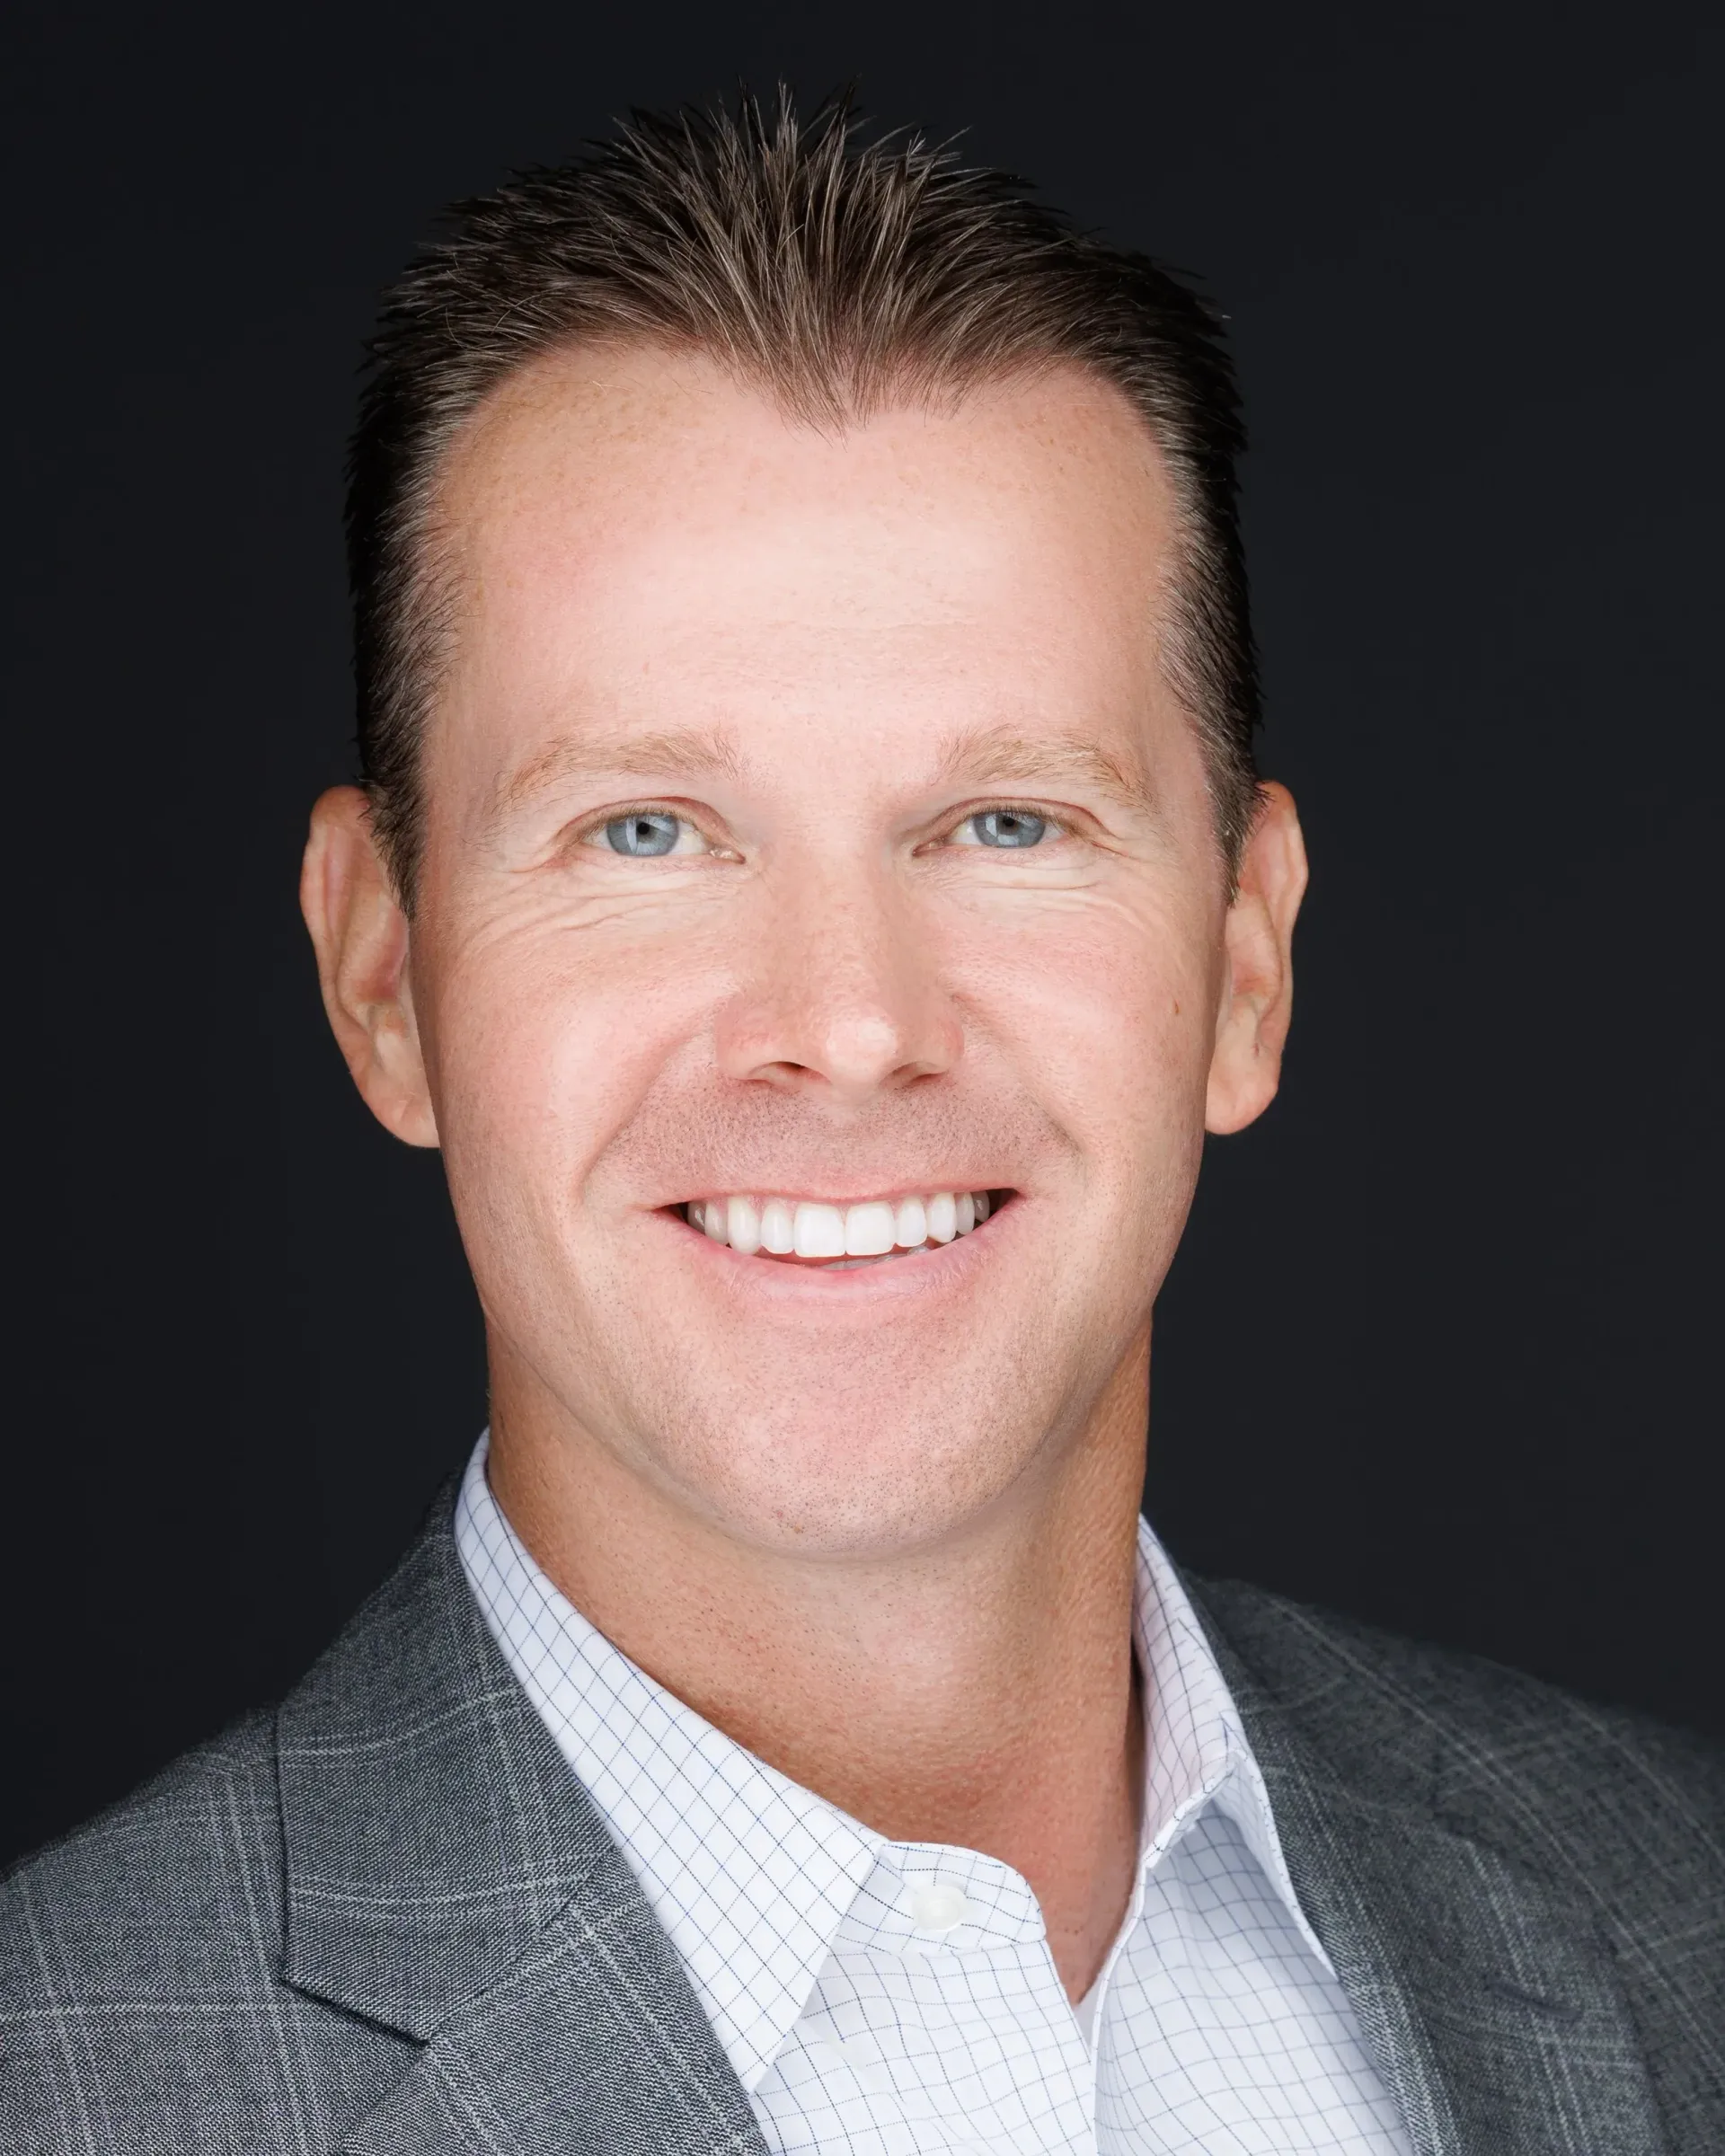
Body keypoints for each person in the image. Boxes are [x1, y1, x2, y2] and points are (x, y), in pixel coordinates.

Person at [2, 90, 1719, 2156]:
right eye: (646, 830)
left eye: (1007, 821)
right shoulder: (69, 2079)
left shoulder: (1673, 1910)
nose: (847, 1025)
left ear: (1247, 965)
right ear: (386, 978)